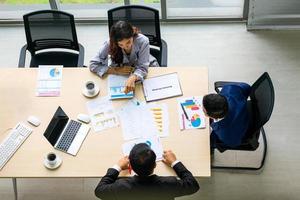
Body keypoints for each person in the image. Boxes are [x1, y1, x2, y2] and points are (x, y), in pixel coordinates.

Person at [95, 143, 199, 200]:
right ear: (154, 165)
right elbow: (193, 185)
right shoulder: (169, 184)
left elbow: (99, 191)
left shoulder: (121, 187)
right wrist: (175, 162)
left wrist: (117, 167)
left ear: (130, 165)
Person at [89, 20, 159, 94]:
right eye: (120, 45)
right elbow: (93, 64)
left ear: (132, 35)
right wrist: (115, 70)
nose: (125, 47)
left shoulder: (143, 40)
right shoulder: (110, 43)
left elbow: (143, 67)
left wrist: (133, 77)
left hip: (146, 69)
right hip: (121, 73)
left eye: (128, 42)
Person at [202, 82, 251, 151]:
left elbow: (233, 144)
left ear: (213, 117)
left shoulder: (225, 134)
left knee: (208, 143)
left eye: (203, 110)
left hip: (239, 130)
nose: (202, 109)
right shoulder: (230, 89)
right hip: (244, 111)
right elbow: (247, 86)